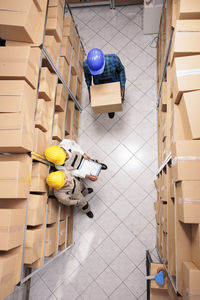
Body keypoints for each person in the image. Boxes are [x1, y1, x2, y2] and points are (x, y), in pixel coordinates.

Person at [83, 48, 126, 119]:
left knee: (112, 100)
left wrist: (122, 87)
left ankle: (111, 110)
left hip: (113, 83)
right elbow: (88, 78)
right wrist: (89, 91)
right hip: (99, 84)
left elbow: (121, 70)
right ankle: (106, 107)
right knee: (104, 100)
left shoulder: (114, 59)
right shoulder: (86, 65)